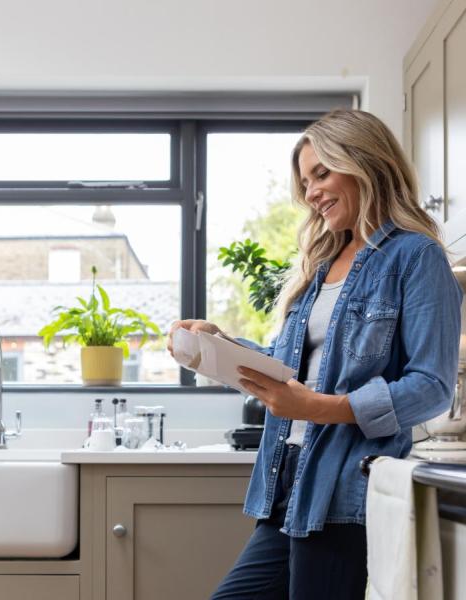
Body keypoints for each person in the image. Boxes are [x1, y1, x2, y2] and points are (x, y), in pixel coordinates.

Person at [167, 109, 463, 600]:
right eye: (305, 181)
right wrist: (217, 345)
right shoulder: (322, 264)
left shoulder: (417, 257)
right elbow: (293, 369)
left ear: (366, 163)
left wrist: (319, 409)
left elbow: (432, 387)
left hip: (344, 490)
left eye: (321, 173)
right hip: (289, 486)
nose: (311, 193)